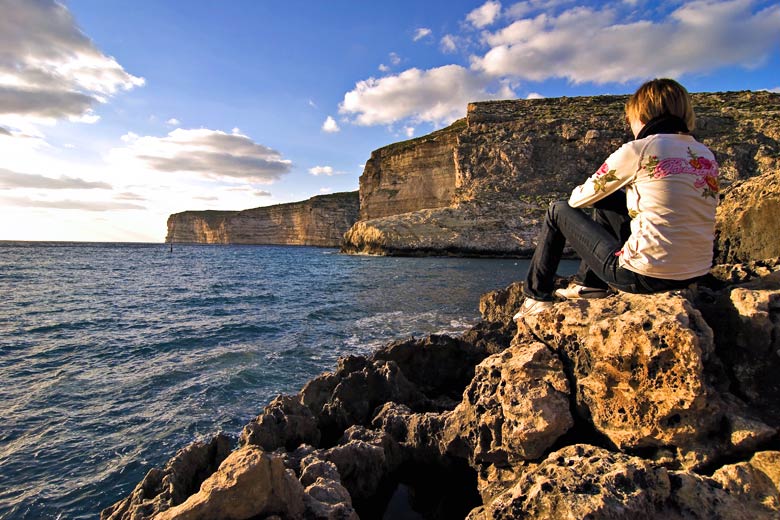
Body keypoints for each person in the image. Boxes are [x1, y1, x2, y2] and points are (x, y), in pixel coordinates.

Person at [514, 78, 719, 321]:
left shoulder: (639, 149)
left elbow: (578, 199)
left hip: (643, 276)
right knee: (608, 200)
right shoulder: (704, 154)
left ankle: (536, 297)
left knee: (557, 209)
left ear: (641, 115)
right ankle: (589, 285)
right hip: (694, 272)